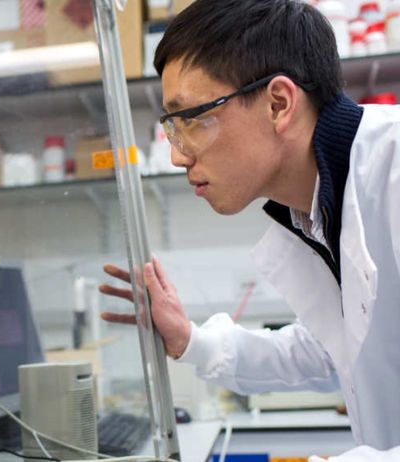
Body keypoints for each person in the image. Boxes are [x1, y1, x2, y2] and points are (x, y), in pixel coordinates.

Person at [99, 1, 400, 460]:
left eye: (192, 119)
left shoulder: (393, 172)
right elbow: (334, 349)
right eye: (172, 127)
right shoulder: (318, 208)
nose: (178, 156)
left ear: (278, 104)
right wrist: (190, 341)